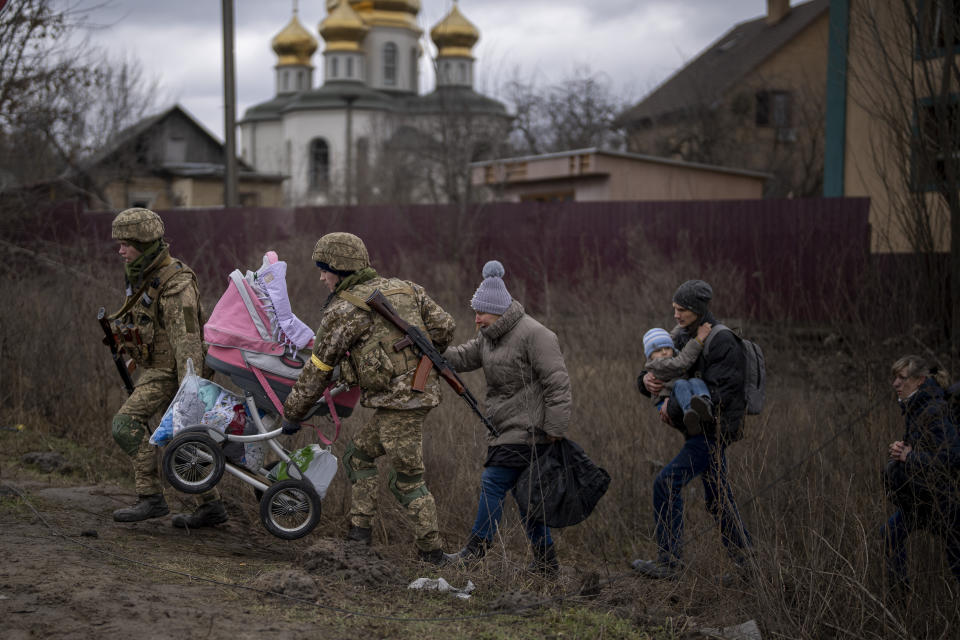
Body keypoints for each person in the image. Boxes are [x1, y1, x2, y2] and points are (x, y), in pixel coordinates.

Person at [282, 232, 455, 565]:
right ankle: (359, 536)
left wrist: (292, 413)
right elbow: (446, 329)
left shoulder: (344, 310)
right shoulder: (409, 288)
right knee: (357, 457)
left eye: (325, 269)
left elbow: (317, 370)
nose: (321, 277)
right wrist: (413, 357)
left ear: (343, 269)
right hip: (411, 397)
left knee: (407, 481)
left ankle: (432, 554)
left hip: (401, 404)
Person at [442, 260, 572, 574]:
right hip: (503, 428)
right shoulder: (490, 338)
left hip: (530, 430)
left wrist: (554, 428)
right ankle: (546, 562)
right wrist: (431, 350)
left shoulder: (535, 334)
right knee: (527, 498)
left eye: (481, 313)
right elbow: (462, 357)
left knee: (493, 482)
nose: (476, 320)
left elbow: (558, 382)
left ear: (498, 311)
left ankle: (476, 550)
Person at [107, 207, 228, 528]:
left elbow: (187, 341)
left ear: (144, 245)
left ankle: (150, 497)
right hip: (160, 367)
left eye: (126, 244)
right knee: (181, 436)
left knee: (125, 424)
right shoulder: (143, 274)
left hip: (176, 371)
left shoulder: (175, 285)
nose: (120, 250)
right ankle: (211, 506)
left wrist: (191, 391)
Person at [632, 279, 753, 580]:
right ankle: (749, 566)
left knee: (666, 483)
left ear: (697, 310)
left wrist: (671, 408)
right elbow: (661, 364)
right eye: (674, 309)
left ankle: (669, 562)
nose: (675, 315)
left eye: (680, 310)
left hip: (712, 432)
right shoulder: (685, 335)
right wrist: (644, 382)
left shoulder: (722, 341)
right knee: (719, 498)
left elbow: (722, 397)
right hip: (698, 431)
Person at [882, 355, 960, 595]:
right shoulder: (917, 407)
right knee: (890, 533)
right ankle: (899, 599)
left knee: (957, 559)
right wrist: (903, 448)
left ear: (919, 380)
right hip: (920, 498)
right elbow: (925, 446)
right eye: (895, 377)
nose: (895, 383)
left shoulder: (933, 409)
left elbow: (952, 457)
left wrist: (909, 457)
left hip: (941, 500)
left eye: (902, 378)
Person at [642, 325, 713, 435]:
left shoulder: (671, 353)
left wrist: (681, 324)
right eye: (658, 350)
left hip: (679, 392)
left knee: (695, 381)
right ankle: (690, 414)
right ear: (650, 356)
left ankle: (705, 403)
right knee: (681, 383)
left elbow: (671, 337)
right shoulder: (658, 363)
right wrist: (698, 340)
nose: (664, 352)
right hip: (664, 398)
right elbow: (681, 362)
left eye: (667, 348)